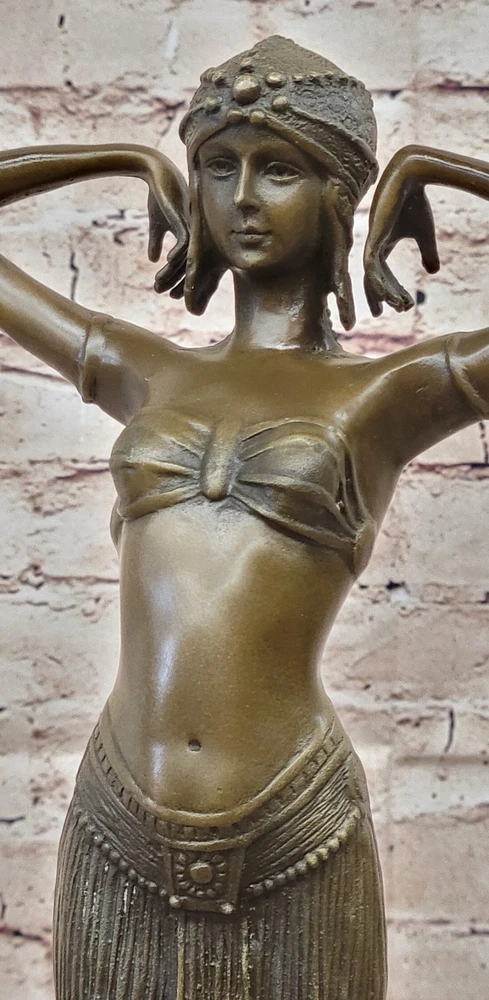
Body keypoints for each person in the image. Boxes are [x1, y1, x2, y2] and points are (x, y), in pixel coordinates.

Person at [1, 33, 488, 1000]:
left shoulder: (390, 393)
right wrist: (122, 155)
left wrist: (437, 167)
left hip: (294, 822)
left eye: (280, 169)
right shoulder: (147, 371)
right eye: (218, 167)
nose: (242, 199)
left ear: (340, 192)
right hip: (115, 818)